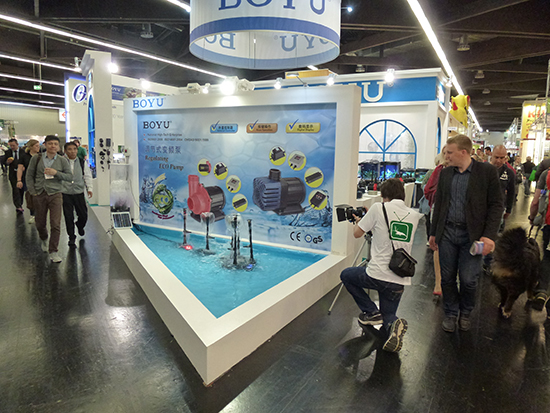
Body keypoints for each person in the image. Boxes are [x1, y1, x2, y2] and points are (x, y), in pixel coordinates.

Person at [429, 134, 503, 332]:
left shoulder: (486, 172)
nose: (446, 156)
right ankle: (451, 313)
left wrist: (489, 235)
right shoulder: (445, 173)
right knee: (447, 277)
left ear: (463, 152)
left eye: (449, 153)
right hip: (447, 233)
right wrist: (433, 233)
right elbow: (439, 204)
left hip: (473, 237)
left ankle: (466, 312)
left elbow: (496, 205)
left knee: (469, 279)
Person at [341, 178, 422, 353]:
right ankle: (393, 324)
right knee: (388, 317)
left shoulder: (378, 208)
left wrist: (360, 221)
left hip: (377, 275)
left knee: (346, 275)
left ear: (384, 195)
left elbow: (357, 234)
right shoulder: (414, 215)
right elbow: (391, 232)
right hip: (400, 278)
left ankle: (371, 311)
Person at [26, 135, 73, 263]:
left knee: (55, 224)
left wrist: (56, 173)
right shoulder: (36, 158)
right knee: (40, 223)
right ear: (45, 145)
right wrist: (33, 192)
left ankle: (53, 251)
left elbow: (69, 177)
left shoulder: (62, 160)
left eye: (55, 144)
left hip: (55, 194)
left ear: (58, 146)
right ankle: (44, 238)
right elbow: (29, 175)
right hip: (39, 193)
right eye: (50, 143)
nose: (53, 146)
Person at [424, 146, 448, 297]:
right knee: (438, 246)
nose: (448, 156)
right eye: (445, 153)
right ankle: (438, 282)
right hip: (438, 211)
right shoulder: (439, 171)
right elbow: (427, 189)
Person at [62, 141, 93, 247]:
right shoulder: (61, 162)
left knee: (83, 214)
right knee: (68, 216)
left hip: (79, 192)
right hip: (65, 193)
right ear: (65, 151)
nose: (72, 151)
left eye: (74, 149)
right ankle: (71, 237)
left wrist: (89, 188)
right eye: (70, 149)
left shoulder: (81, 162)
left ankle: (80, 225)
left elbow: (87, 175)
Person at [16, 139, 41, 223]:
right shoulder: (24, 156)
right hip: (28, 179)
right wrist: (19, 180)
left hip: (39, 179)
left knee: (39, 196)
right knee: (30, 196)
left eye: (38, 146)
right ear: (31, 147)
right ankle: (33, 214)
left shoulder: (41, 156)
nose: (38, 147)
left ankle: (39, 214)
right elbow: (20, 168)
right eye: (36, 146)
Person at [2, 138, 26, 213]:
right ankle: (18, 206)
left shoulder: (23, 152)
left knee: (21, 189)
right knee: (15, 189)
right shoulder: (8, 152)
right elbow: (4, 162)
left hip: (22, 173)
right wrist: (7, 162)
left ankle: (20, 203)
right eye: (11, 146)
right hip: (13, 173)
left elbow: (26, 161)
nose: (12, 147)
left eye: (13, 145)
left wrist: (24, 167)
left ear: (17, 144)